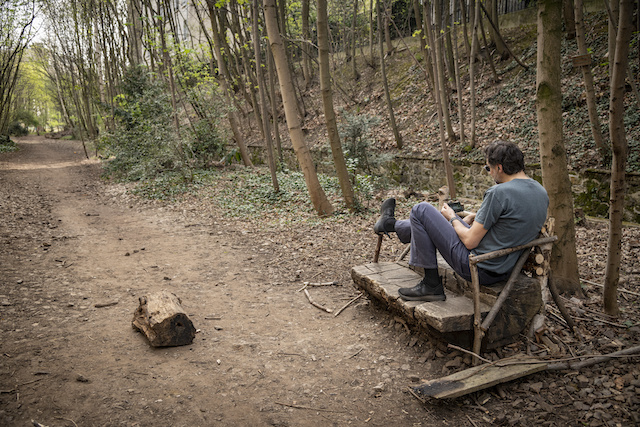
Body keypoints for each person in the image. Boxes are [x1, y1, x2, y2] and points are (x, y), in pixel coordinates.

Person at [373, 140, 549, 302]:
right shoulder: (540, 192)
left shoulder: (499, 193)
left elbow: (470, 241)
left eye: (488, 169)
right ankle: (390, 224)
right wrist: (476, 218)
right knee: (429, 220)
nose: (489, 174)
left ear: (499, 168)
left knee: (421, 210)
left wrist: (453, 218)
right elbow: (510, 224)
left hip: (478, 267)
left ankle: (431, 284)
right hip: (505, 267)